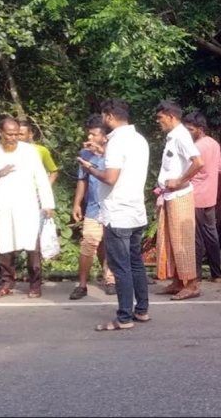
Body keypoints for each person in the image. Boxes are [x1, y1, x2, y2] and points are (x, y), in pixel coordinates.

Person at [77, 99, 150, 331]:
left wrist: (90, 168)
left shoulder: (116, 142)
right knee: (136, 263)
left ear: (109, 116)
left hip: (118, 212)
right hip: (136, 210)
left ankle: (124, 317)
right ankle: (141, 311)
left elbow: (110, 177)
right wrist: (102, 153)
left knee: (121, 267)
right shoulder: (139, 139)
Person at [0, 117, 55, 299]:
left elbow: (41, 178)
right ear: (0, 132)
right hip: (2, 205)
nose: (13, 138)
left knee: (32, 247)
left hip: (26, 205)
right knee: (4, 246)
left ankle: (35, 284)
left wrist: (47, 203)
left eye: (16, 134)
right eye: (9, 134)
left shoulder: (29, 152)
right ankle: (6, 283)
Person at [154, 101, 205, 300]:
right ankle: (177, 281)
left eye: (160, 118)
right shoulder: (172, 136)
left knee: (183, 240)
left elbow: (199, 162)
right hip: (169, 195)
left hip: (180, 195)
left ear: (171, 117)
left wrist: (180, 181)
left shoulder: (181, 135)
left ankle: (191, 284)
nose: (158, 122)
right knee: (171, 239)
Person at [70, 115, 116, 299]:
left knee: (110, 244)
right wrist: (76, 204)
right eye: (88, 134)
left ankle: (111, 279)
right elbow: (83, 180)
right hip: (93, 207)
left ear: (104, 136)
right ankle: (82, 285)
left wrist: (101, 153)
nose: (89, 138)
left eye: (93, 134)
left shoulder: (114, 151)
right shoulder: (84, 153)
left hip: (113, 206)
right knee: (88, 243)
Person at [183, 112, 221, 283]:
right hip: (210, 195)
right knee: (211, 235)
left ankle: (196, 275)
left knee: (196, 237)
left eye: (190, 129)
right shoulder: (214, 144)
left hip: (196, 195)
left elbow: (188, 170)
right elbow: (220, 168)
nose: (188, 133)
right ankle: (217, 274)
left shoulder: (196, 148)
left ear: (200, 129)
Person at [18, 119, 58, 186]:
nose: (18, 137)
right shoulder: (7, 151)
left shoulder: (41, 150)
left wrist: (45, 189)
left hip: (35, 193)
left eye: (21, 134)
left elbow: (53, 171)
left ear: (30, 134)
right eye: (16, 134)